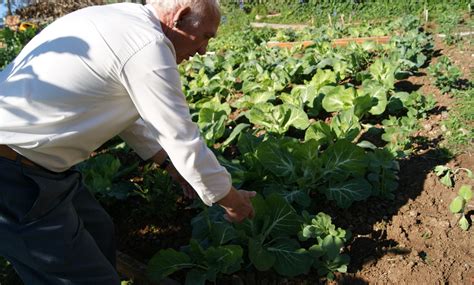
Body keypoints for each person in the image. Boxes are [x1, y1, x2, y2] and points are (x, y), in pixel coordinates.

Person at [0, 0, 256, 284]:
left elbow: (125, 114)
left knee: (98, 231)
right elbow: (181, 136)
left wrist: (171, 166)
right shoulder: (148, 45)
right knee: (84, 278)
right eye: (206, 35)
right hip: (13, 174)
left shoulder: (121, 20)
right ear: (180, 17)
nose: (203, 49)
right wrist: (232, 201)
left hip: (37, 165)